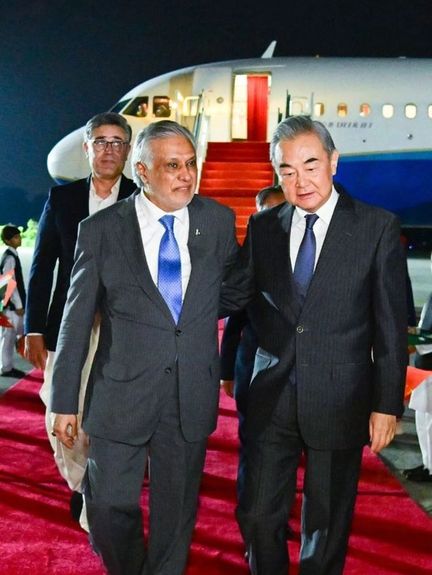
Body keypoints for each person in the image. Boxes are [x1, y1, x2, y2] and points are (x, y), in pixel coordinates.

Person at [220, 116, 408, 575]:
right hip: (271, 396)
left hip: (340, 397)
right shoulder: (264, 227)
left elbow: (390, 326)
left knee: (326, 525)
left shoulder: (376, 227)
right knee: (256, 514)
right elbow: (232, 296)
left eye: (310, 165)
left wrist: (386, 404)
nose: (300, 181)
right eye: (287, 170)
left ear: (333, 162)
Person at [50, 120, 238, 575]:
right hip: (120, 393)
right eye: (172, 166)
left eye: (190, 164)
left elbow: (235, 289)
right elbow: (76, 320)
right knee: (108, 506)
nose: (186, 175)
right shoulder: (101, 230)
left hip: (188, 394)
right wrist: (64, 401)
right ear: (142, 170)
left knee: (176, 515)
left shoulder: (216, 221)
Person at [24, 112, 136, 528]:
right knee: (59, 412)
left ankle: (97, 497)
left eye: (117, 142)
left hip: (121, 331)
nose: (109, 150)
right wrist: (34, 328)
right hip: (67, 328)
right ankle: (81, 483)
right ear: (87, 148)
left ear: (128, 150)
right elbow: (42, 268)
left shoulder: (141, 199)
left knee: (110, 415)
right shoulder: (63, 199)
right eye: (101, 141)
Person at [220, 184, 285, 499]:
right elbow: (235, 320)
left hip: (296, 376)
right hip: (254, 370)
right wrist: (227, 371)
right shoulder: (250, 257)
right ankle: (252, 505)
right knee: (255, 445)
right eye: (268, 213)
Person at [0, 225, 26, 378]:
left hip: (8, 304)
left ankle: (7, 366)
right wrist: (18, 305)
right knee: (8, 337)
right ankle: (6, 367)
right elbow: (10, 283)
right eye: (16, 237)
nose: (19, 239)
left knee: (9, 336)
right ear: (7, 240)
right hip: (10, 306)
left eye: (19, 236)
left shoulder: (11, 256)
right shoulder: (10, 258)